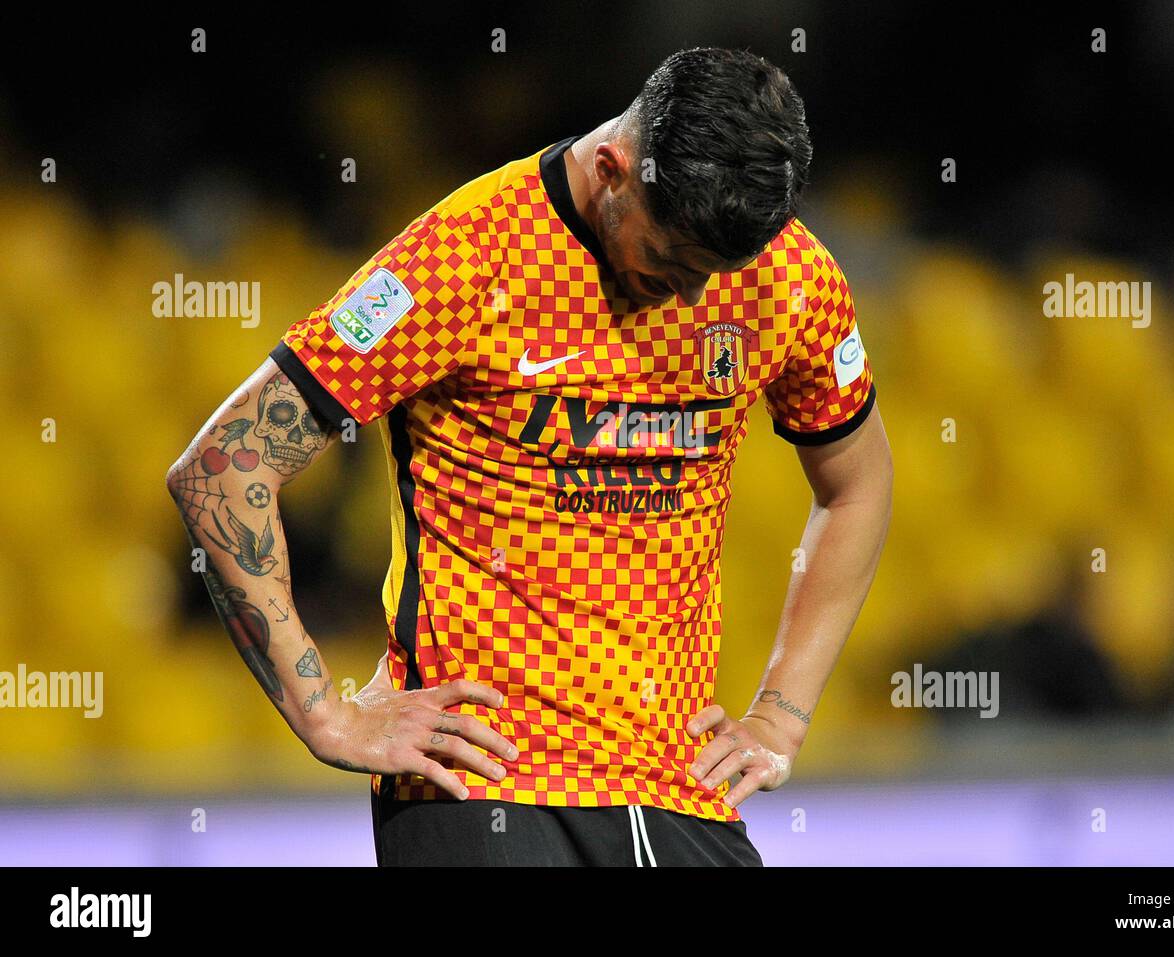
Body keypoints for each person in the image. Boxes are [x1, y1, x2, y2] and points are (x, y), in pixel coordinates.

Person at [166, 46, 892, 866]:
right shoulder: (464, 259)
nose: (691, 298)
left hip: (676, 783)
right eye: (670, 262)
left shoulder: (789, 280)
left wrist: (780, 715)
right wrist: (322, 710)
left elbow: (857, 486)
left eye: (714, 273)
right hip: (483, 779)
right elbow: (224, 463)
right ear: (615, 170)